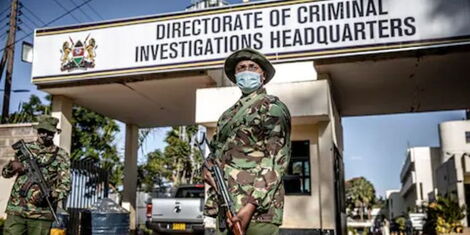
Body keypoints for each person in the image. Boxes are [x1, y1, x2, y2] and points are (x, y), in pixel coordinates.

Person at [204, 48, 291, 235]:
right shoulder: (227, 115)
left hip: (257, 211)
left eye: (253, 67)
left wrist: (250, 206)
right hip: (226, 207)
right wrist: (207, 169)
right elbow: (216, 154)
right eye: (241, 68)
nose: (247, 71)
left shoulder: (271, 108)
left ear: (263, 75)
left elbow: (275, 161)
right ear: (235, 76)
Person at [2, 115, 71, 235]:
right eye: (42, 131)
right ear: (38, 131)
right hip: (17, 210)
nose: (44, 135)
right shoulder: (25, 149)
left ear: (54, 134)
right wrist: (11, 167)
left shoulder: (61, 155)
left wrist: (52, 194)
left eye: (49, 132)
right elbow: (5, 174)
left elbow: (66, 184)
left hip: (42, 214)